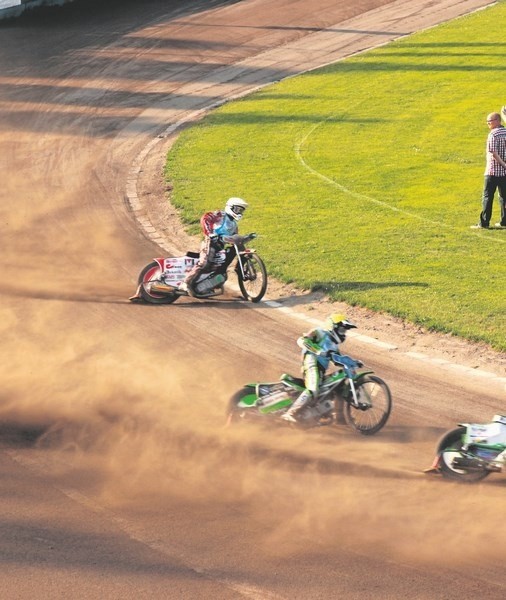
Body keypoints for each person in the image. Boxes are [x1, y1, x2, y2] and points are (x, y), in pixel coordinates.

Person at [281, 314, 357, 423]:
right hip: (311, 363)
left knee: (339, 384)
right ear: (332, 327)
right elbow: (302, 340)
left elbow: (337, 360)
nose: (343, 333)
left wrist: (353, 362)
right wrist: (318, 351)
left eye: (344, 331)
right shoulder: (318, 332)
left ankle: (339, 417)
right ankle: (291, 413)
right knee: (313, 388)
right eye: (341, 330)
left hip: (321, 370)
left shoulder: (334, 345)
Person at [180, 197, 248, 296]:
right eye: (237, 209)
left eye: (241, 210)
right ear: (230, 207)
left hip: (220, 247)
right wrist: (210, 233)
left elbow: (233, 239)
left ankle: (208, 284)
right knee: (205, 263)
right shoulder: (220, 215)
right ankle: (185, 283)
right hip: (210, 242)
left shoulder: (234, 224)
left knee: (221, 268)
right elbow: (205, 218)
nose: (239, 212)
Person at [471, 111, 506, 229]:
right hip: (504, 174)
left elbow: (493, 152)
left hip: (492, 171)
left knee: (487, 197)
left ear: (496, 121)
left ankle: (484, 222)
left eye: (489, 122)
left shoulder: (493, 134)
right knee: (504, 197)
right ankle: (504, 220)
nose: (488, 124)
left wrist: (503, 164)